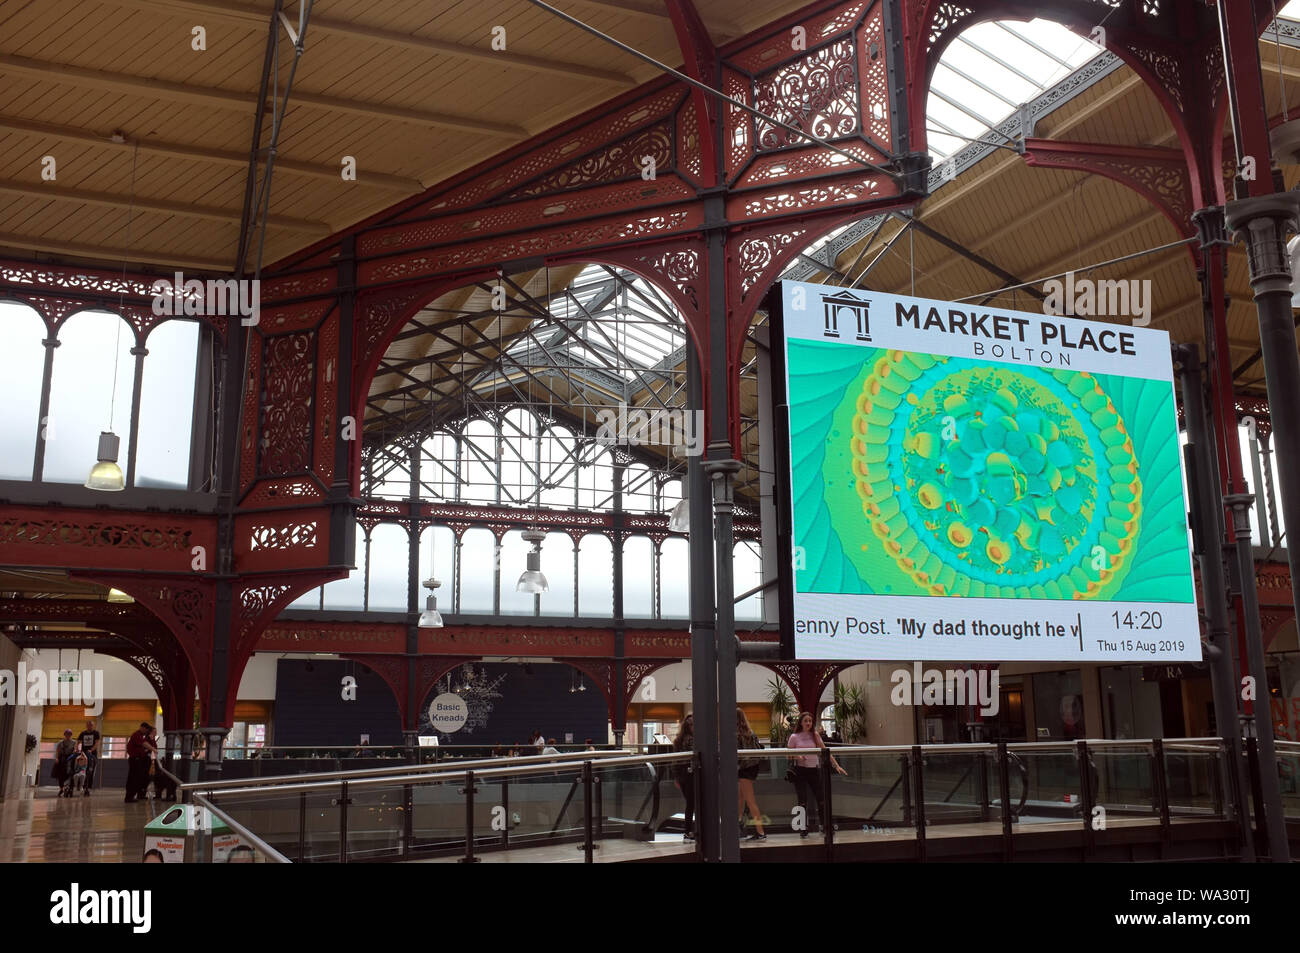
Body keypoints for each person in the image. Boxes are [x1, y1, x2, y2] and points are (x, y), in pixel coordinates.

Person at [787, 711, 847, 838]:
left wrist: (836, 765)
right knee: (802, 801)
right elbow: (788, 754)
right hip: (800, 771)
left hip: (814, 770)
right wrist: (798, 756)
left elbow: (826, 751)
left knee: (821, 799)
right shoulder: (794, 737)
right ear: (801, 723)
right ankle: (803, 828)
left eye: (810, 721)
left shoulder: (815, 735)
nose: (808, 723)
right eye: (806, 721)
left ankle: (824, 826)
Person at [736, 709, 766, 841]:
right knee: (740, 798)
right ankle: (737, 825)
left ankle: (760, 832)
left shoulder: (736, 734)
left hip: (744, 769)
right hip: (752, 768)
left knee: (750, 801)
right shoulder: (750, 732)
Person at [672, 714, 695, 841]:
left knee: (690, 804)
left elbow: (674, 761)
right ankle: (689, 830)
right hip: (690, 775)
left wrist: (676, 777)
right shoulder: (691, 740)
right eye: (692, 725)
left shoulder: (679, 740)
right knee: (693, 803)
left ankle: (688, 830)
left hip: (682, 776)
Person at [124, 722, 152, 803]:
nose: (146, 731)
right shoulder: (136, 735)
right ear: (142, 728)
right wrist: (153, 749)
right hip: (135, 759)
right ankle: (129, 797)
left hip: (138, 759)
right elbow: (144, 744)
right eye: (146, 729)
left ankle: (133, 795)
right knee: (133, 778)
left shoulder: (141, 735)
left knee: (138, 778)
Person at [77, 719, 101, 796]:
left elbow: (97, 743)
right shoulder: (83, 733)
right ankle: (81, 785)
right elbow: (78, 742)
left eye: (91, 725)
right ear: (86, 725)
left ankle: (88, 787)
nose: (90, 726)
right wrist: (77, 749)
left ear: (93, 726)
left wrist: (91, 750)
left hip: (92, 754)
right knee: (82, 770)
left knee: (91, 771)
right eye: (88, 725)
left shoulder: (96, 733)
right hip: (83, 755)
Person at [53, 729, 76, 797]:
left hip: (70, 759)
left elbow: (75, 750)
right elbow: (57, 751)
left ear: (71, 735)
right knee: (60, 775)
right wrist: (57, 758)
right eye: (66, 734)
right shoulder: (60, 742)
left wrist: (74, 752)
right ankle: (61, 789)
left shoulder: (74, 742)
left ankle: (70, 789)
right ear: (64, 735)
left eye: (69, 734)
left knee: (70, 774)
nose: (68, 735)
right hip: (62, 759)